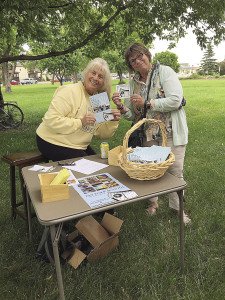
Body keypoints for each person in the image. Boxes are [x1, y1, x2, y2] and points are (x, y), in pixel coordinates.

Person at [112, 43, 191, 224]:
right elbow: (134, 114)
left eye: (140, 56)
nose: (138, 61)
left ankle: (178, 210)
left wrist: (147, 103)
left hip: (171, 131)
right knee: (151, 170)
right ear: (130, 65)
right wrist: (122, 107)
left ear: (148, 55)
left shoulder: (165, 72)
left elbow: (175, 100)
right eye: (133, 61)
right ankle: (154, 204)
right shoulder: (133, 83)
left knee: (175, 172)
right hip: (148, 133)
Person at [36, 58, 121, 161]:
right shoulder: (69, 91)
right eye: (93, 73)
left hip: (78, 145)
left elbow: (101, 133)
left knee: (100, 164)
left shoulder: (99, 100)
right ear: (86, 73)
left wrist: (112, 121)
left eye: (100, 76)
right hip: (52, 141)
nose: (96, 78)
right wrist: (81, 122)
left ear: (104, 82)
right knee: (89, 168)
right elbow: (51, 119)